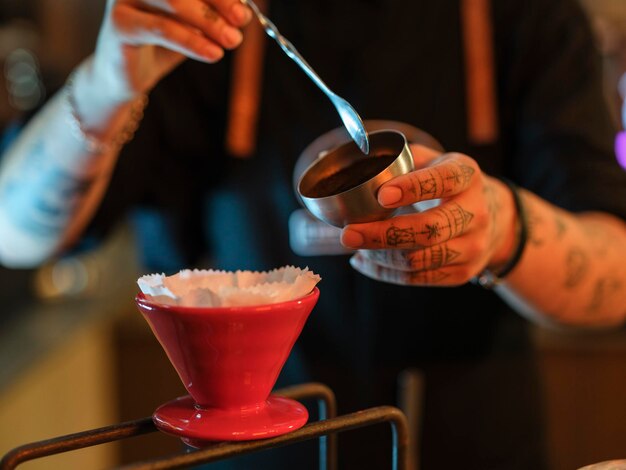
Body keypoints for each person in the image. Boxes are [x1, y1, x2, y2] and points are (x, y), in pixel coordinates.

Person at [1, 0, 625, 468]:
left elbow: (616, 275)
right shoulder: (205, 19)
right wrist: (110, 83)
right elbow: (15, 233)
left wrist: (506, 228)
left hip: (472, 438)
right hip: (246, 454)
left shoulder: (527, 15)